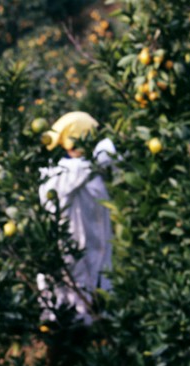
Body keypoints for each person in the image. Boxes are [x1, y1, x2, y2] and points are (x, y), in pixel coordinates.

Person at [37, 111, 116, 323]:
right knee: (76, 298)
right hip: (76, 248)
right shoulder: (67, 173)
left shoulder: (89, 166)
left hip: (93, 248)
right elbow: (106, 152)